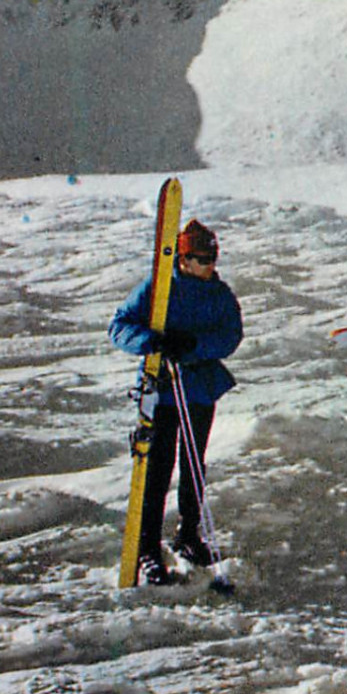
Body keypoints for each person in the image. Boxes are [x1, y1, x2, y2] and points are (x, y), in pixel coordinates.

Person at [109, 219, 244, 586]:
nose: (208, 266)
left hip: (199, 388)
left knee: (193, 465)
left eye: (212, 258)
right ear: (182, 259)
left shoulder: (220, 295)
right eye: (200, 259)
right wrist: (151, 341)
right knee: (157, 469)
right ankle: (148, 550)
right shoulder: (158, 288)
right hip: (163, 391)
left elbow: (231, 336)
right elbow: (119, 325)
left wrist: (194, 347)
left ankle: (189, 534)